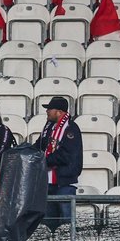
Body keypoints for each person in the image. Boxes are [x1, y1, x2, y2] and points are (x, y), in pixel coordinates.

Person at [35, 96, 82, 230]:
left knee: (66, 222)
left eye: (50, 109)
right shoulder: (49, 128)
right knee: (48, 221)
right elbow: (39, 145)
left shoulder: (71, 129)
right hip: (48, 182)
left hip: (64, 182)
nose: (47, 111)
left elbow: (67, 155)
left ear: (59, 112)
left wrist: (43, 161)